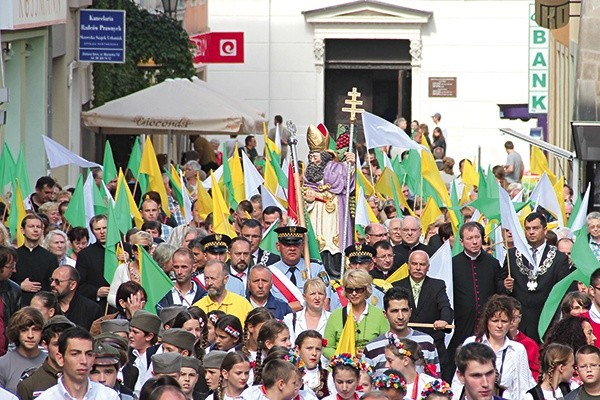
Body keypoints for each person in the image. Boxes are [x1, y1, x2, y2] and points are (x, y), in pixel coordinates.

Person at [450, 295, 535, 399]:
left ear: (510, 323)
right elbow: (458, 383)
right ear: (487, 321)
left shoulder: (517, 349)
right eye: (495, 321)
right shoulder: (472, 342)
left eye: (504, 321)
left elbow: (524, 388)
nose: (499, 326)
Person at [503, 213, 571, 343]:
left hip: (545, 323)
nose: (531, 232)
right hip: (517, 324)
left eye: (535, 228)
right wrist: (506, 286)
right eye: (528, 229)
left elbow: (563, 292)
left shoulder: (558, 258)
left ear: (545, 230)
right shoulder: (512, 255)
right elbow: (500, 283)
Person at [448, 222, 505, 376]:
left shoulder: (492, 263)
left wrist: (506, 285)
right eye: (469, 238)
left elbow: (499, 291)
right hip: (462, 322)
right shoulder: (453, 264)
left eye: (477, 237)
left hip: (486, 323)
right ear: (461, 242)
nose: (474, 242)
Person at [304, 124, 355, 279]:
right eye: (311, 156)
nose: (313, 159)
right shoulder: (309, 171)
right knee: (317, 240)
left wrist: (351, 163)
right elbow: (304, 189)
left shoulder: (336, 167)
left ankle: (334, 269)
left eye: (316, 155)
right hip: (315, 211)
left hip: (333, 212)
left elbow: (346, 182)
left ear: (324, 155)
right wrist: (308, 197)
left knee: (333, 240)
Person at [394, 250, 453, 377]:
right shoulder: (396, 286)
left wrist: (445, 321)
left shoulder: (438, 285)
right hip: (405, 343)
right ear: (408, 265)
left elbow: (445, 307)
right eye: (414, 264)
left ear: (428, 267)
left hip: (432, 343)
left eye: (422, 264)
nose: (418, 268)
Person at [364, 287, 440, 376]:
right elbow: (365, 384)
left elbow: (436, 381)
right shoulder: (372, 348)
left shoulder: (427, 342)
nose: (400, 316)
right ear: (385, 314)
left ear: (410, 312)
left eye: (404, 310)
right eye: (394, 311)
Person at [36, 326, 119, 399]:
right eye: (75, 354)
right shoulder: (47, 398)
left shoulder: (108, 396)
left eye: (89, 354)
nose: (84, 361)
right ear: (60, 359)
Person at [323, 270, 390, 359]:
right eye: (350, 290)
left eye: (358, 289)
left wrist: (367, 354)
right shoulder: (335, 315)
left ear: (367, 290)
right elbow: (327, 348)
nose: (354, 294)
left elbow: (387, 345)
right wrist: (344, 358)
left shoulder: (380, 315)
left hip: (370, 367)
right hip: (341, 368)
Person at [270, 226, 331, 310]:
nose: (292, 248)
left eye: (296, 244)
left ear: (302, 246)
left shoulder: (315, 268)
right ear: (278, 246)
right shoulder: (270, 272)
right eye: (287, 244)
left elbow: (325, 303)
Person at [16, 315, 75, 400]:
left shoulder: (82, 379)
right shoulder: (29, 384)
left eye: (66, 344)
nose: (62, 349)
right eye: (57, 344)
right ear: (45, 345)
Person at [13, 214, 59, 305]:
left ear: (42, 230)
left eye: (38, 227)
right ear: (22, 230)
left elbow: (52, 285)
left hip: (42, 305)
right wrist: (20, 285)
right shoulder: (13, 256)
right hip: (17, 303)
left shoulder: (50, 258)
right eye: (31, 226)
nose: (35, 230)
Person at [0, 307, 46, 394]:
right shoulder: (3, 364)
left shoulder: (50, 361)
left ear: (42, 332)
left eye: (35, 329)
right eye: (24, 330)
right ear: (17, 332)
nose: (30, 335)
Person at [76, 214, 112, 311]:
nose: (102, 232)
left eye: (105, 228)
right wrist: (97, 291)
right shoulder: (85, 255)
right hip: (98, 306)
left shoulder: (124, 249)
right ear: (92, 231)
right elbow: (79, 284)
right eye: (97, 229)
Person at [50, 265, 102, 330]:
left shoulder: (91, 309)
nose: (52, 284)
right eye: (51, 280)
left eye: (57, 281)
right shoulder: (46, 304)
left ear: (72, 285)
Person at [284, 278, 330, 343]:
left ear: (325, 296)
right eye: (313, 294)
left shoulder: (332, 318)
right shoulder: (290, 319)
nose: (317, 298)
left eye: (320, 294)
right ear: (304, 296)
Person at [128, 310, 162, 395]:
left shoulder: (158, 357)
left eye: (135, 332)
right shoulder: (128, 354)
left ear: (149, 336)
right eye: (130, 330)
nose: (130, 335)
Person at [507, 298, 540, 381]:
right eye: (508, 317)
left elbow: (535, 373)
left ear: (520, 318)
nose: (511, 322)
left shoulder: (530, 344)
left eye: (514, 317)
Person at [295, 330, 330, 399]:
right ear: (297, 350)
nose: (314, 353)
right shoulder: (289, 376)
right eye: (309, 348)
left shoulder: (328, 377)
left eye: (318, 349)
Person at [0, 246, 21, 356]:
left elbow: (15, 324)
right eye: (11, 266)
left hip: (5, 355)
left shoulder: (14, 290)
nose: (14, 270)